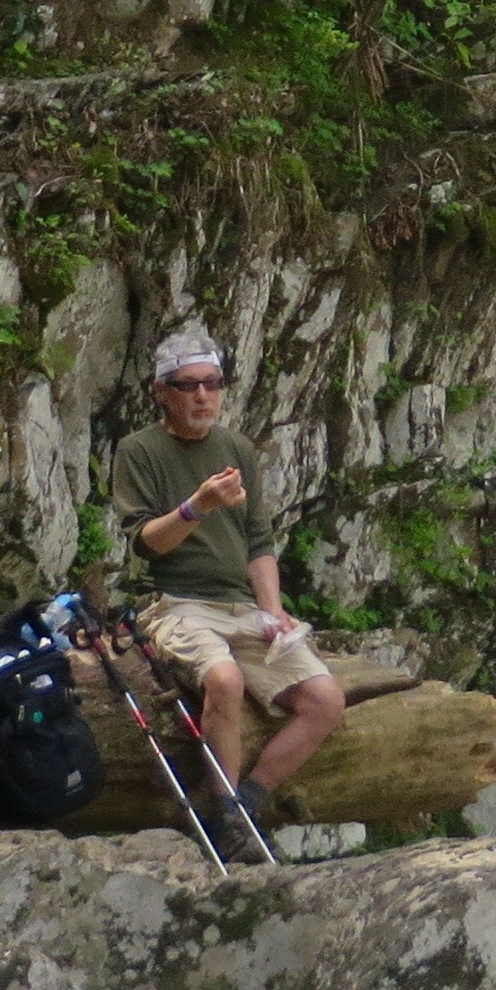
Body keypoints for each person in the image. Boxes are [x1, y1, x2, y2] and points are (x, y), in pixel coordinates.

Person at [107, 327, 346, 841]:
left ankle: (246, 805)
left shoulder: (235, 446)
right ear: (161, 391)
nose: (202, 396)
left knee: (325, 700)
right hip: (174, 602)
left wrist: (274, 611)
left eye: (212, 384)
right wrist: (197, 507)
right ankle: (222, 807)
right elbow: (148, 543)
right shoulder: (138, 450)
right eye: (188, 385)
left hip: (240, 606)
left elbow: (258, 538)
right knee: (225, 680)